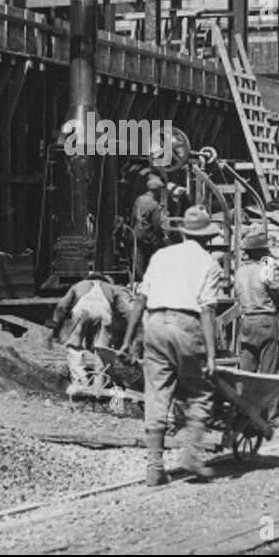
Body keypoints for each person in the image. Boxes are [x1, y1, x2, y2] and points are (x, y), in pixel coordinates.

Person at [120, 205, 224, 486]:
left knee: (156, 393)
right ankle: (190, 454)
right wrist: (211, 356)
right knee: (201, 391)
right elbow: (207, 310)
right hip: (186, 325)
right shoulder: (210, 263)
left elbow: (140, 299)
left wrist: (129, 340)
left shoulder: (162, 255)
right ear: (208, 237)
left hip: (154, 324)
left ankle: (154, 467)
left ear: (184, 233)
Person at [233, 227, 279, 421]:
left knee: (246, 368)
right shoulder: (266, 269)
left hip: (246, 320)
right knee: (270, 368)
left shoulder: (239, 272)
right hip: (265, 319)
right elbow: (274, 292)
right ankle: (272, 415)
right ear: (262, 253)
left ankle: (243, 412)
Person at [49, 273, 131, 391]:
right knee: (101, 349)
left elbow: (62, 306)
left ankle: (80, 382)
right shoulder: (112, 288)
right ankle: (99, 384)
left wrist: (54, 325)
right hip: (103, 313)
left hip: (82, 313)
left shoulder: (79, 285)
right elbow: (126, 311)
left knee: (75, 347)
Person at [131, 175, 165, 281]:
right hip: (147, 235)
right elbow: (156, 226)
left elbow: (133, 216)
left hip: (136, 232)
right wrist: (162, 236)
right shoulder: (154, 204)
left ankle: (137, 278)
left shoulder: (139, 199)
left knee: (138, 258)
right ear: (157, 191)